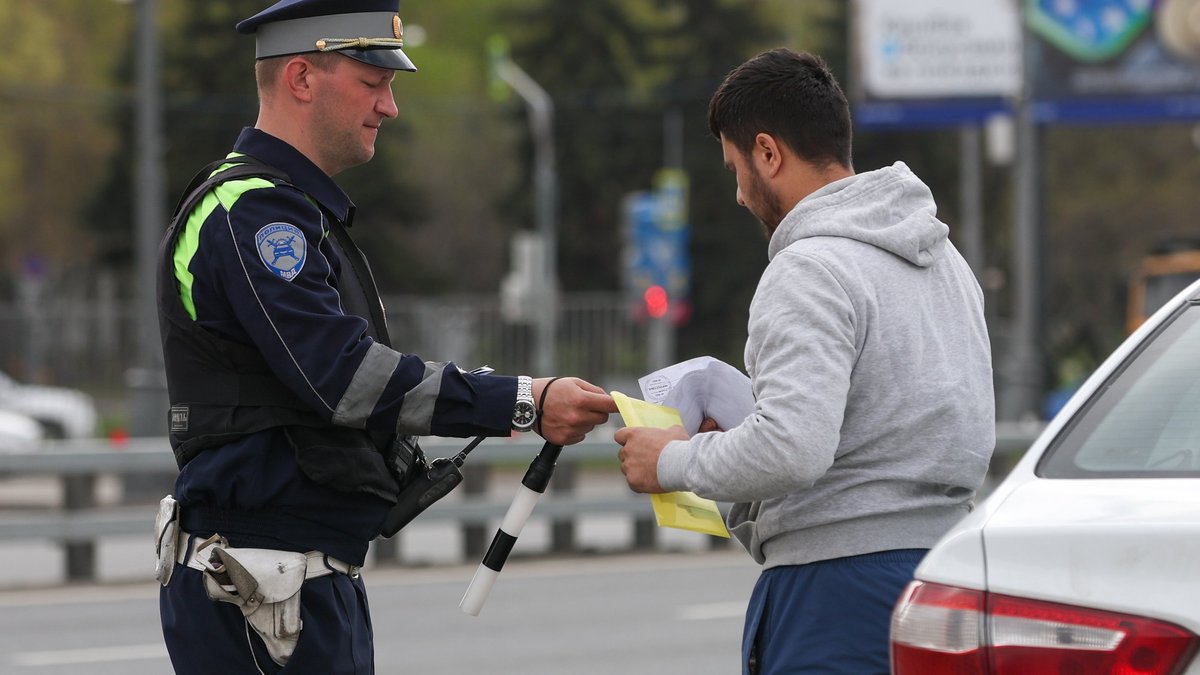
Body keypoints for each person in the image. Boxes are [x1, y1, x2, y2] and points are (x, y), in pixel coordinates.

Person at [154, 2, 617, 673]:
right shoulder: (255, 212)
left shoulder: (286, 209)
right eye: (373, 82)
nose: (389, 107)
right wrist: (523, 400)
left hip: (290, 578)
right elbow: (344, 377)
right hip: (262, 582)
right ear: (302, 79)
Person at [615, 48, 994, 674]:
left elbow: (793, 449)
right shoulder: (946, 260)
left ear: (769, 153)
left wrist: (671, 460)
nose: (738, 194)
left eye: (736, 168)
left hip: (834, 595)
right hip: (944, 578)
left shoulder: (809, 268)